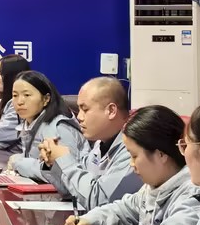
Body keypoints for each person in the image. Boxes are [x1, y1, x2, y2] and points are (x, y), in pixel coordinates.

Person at [65, 105, 200, 225]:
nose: (131, 164)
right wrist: (90, 220)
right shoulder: (154, 186)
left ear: (161, 154)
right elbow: (122, 210)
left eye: (134, 156)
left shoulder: (195, 193)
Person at [39, 77, 142, 210]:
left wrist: (64, 159)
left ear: (111, 111)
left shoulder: (133, 150)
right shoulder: (100, 144)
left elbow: (99, 201)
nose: (79, 117)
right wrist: (52, 163)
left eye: (85, 109)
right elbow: (73, 190)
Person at [4, 71, 84, 181]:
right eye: (15, 95)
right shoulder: (31, 123)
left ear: (46, 99)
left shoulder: (58, 128)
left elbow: (63, 174)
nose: (19, 101)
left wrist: (19, 163)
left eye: (27, 95)